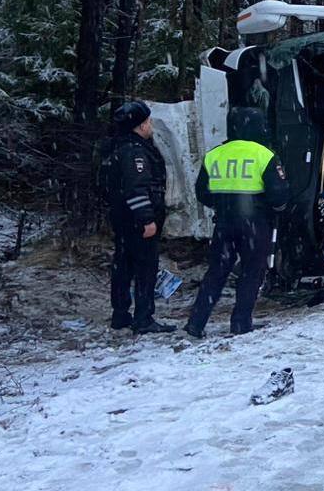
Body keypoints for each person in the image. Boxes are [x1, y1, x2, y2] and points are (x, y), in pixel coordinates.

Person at [184, 107, 290, 338]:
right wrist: (273, 210)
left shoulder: (215, 155)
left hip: (223, 222)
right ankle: (241, 322)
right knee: (252, 271)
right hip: (255, 223)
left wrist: (222, 206)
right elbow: (279, 195)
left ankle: (196, 322)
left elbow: (202, 192)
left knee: (216, 272)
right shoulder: (265, 155)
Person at [106, 100, 175, 334]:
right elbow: (136, 188)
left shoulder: (116, 147)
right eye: (148, 121)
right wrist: (147, 219)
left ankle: (120, 314)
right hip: (137, 220)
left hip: (121, 218)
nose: (150, 125)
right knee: (145, 268)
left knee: (122, 266)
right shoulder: (135, 152)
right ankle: (143, 318)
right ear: (141, 125)